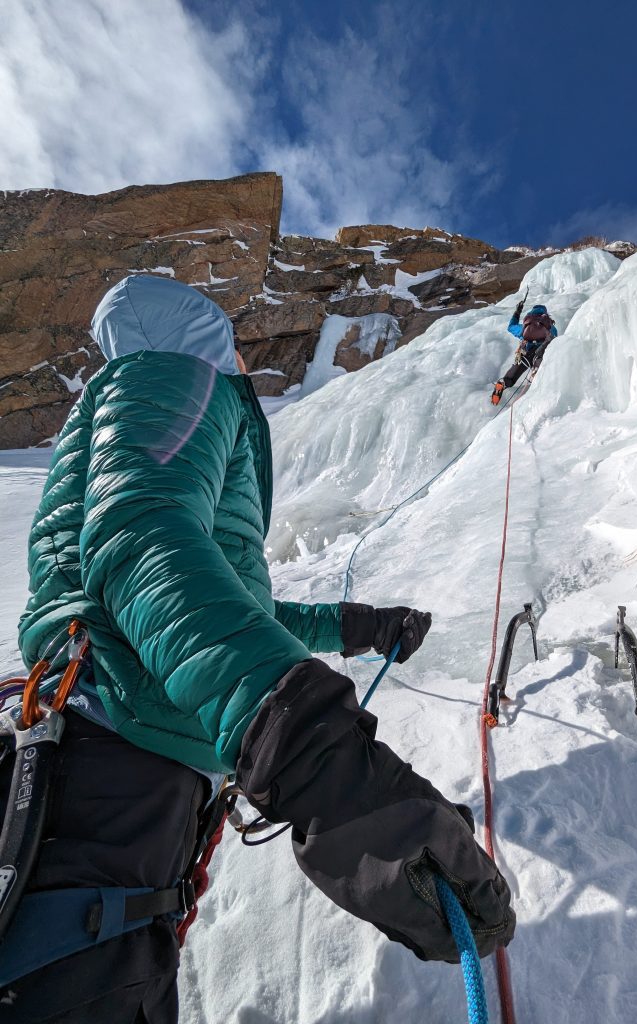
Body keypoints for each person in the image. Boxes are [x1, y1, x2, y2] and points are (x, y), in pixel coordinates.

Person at [0, 275, 514, 1022]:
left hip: (88, 750)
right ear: (201, 334)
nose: (242, 355)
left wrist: (359, 626)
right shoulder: (172, 375)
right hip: (109, 772)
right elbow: (140, 540)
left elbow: (204, 598)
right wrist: (308, 750)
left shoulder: (126, 402)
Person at [491, 299, 558, 404]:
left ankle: (504, 382)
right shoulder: (550, 326)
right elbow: (554, 341)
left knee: (515, 370)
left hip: (526, 353)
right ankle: (536, 375)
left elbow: (511, 327)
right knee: (540, 368)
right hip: (541, 355)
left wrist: (517, 312)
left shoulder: (526, 325)